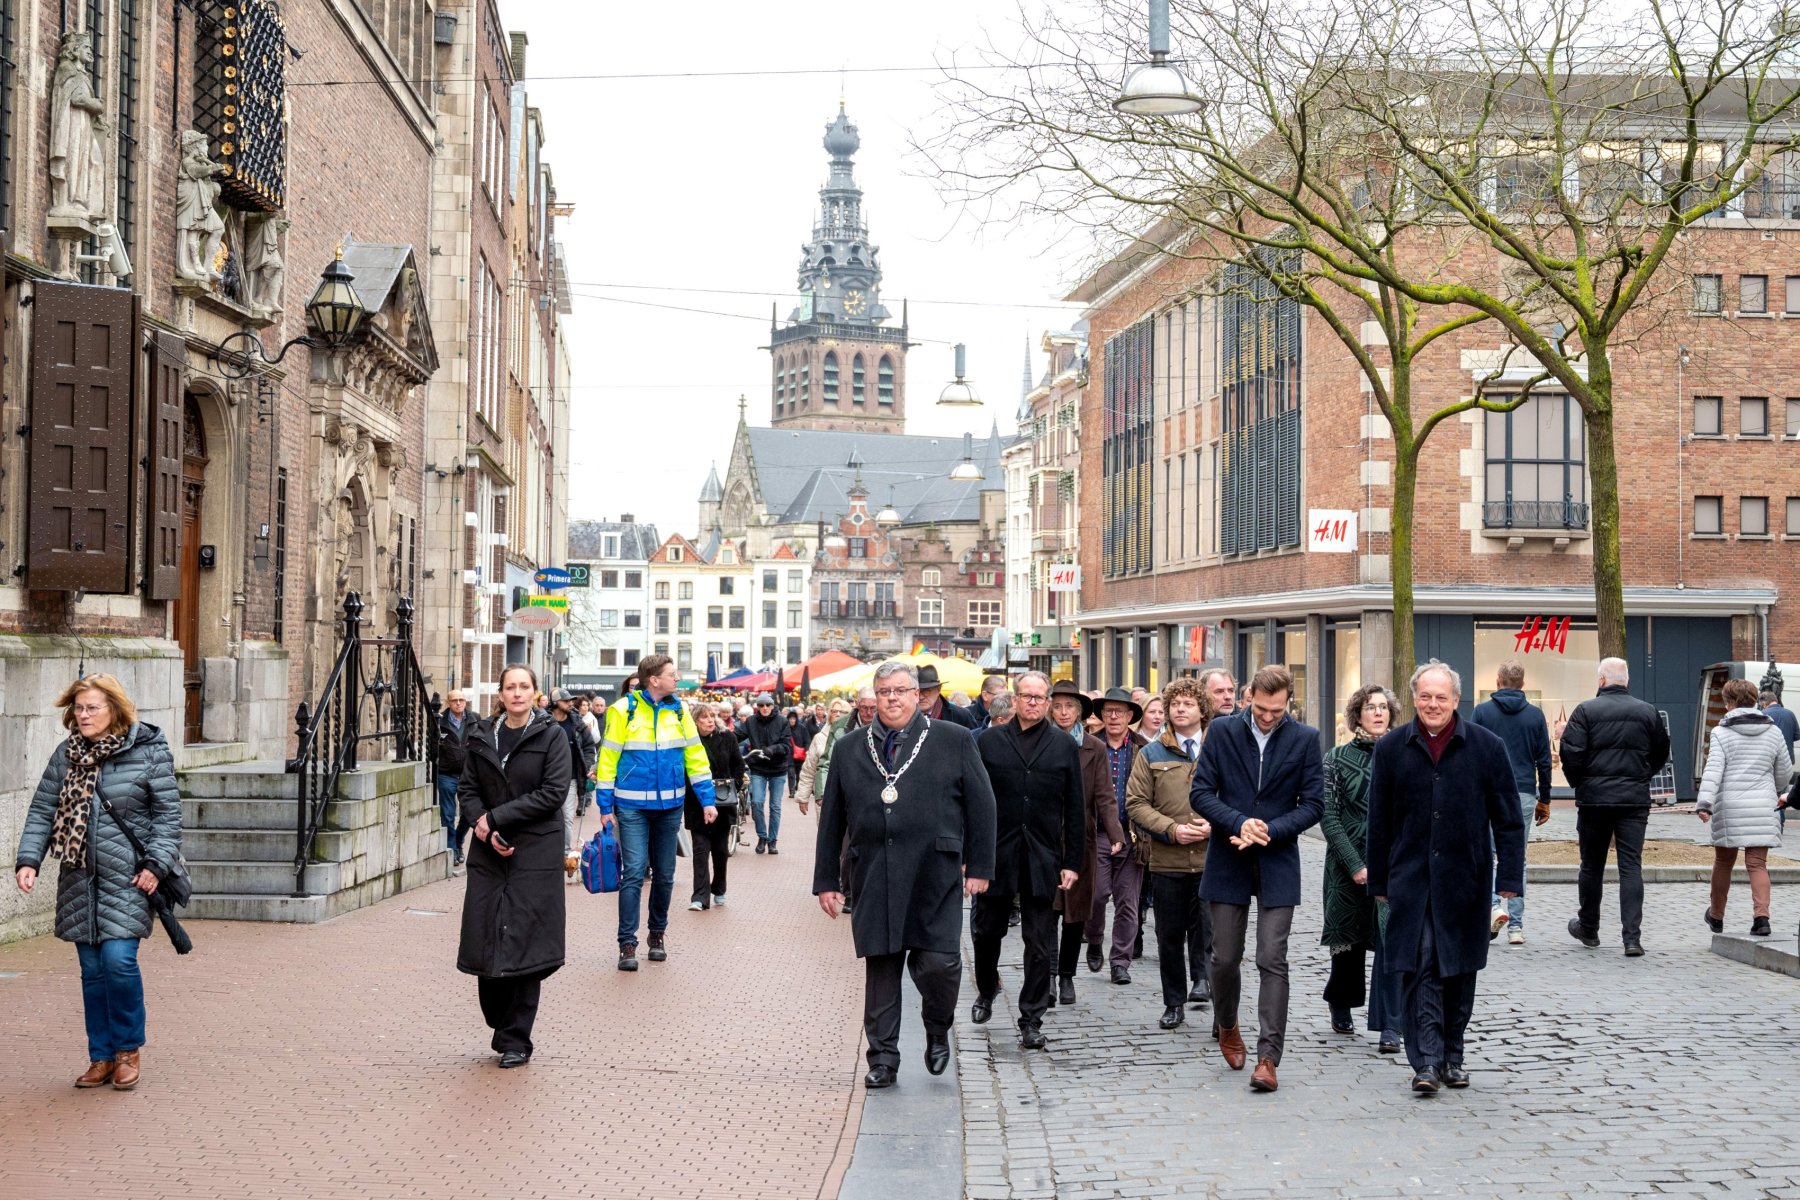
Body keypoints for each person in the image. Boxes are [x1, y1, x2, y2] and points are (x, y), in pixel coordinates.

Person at [814, 662, 997, 1089]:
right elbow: (833, 820)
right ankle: (882, 1058)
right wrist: (826, 880)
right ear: (873, 699)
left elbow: (982, 805)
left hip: (935, 870)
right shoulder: (850, 747)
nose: (892, 698)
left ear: (918, 695)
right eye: (883, 692)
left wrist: (981, 866)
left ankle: (937, 1027)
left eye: (900, 690)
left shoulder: (953, 740)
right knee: (881, 966)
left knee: (939, 963)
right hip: (873, 871)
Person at [14, 674, 182, 1090]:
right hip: (78, 877)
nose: (82, 715)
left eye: (92, 707)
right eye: (78, 708)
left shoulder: (149, 752)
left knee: (118, 962)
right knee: (92, 971)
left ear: (115, 710)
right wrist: (29, 860)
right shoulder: (66, 754)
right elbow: (41, 810)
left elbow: (168, 819)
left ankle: (128, 1051)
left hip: (130, 877)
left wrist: (155, 866)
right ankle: (101, 1056)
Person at [1367, 662, 1526, 1094]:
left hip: (1465, 879)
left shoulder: (1486, 747)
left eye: (1441, 697)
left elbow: (1509, 821)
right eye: (1425, 696)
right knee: (1420, 963)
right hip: (1411, 880)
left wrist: (1508, 879)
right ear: (1414, 698)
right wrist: (1379, 880)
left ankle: (1453, 1055)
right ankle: (1425, 1063)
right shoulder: (1392, 749)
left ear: (1456, 701)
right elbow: (1378, 821)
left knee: (1458, 969)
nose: (1432, 704)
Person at [1191, 665, 1323, 1094]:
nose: (1269, 717)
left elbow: (1314, 804)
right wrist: (1239, 822)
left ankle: (1268, 1057)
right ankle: (1227, 1023)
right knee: (1224, 957)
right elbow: (1201, 792)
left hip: (1278, 858)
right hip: (1228, 857)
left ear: (1288, 702)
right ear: (1248, 697)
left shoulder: (1305, 738)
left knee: (1272, 957)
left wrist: (1271, 829)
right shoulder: (1224, 732)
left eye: (1277, 711)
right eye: (1262, 709)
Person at [456, 662, 571, 1067]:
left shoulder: (552, 736)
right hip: (489, 852)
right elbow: (468, 790)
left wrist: (497, 819)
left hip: (534, 853)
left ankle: (516, 1039)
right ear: (501, 694)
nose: (517, 693)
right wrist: (483, 828)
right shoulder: (481, 736)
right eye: (510, 687)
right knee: (485, 934)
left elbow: (553, 792)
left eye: (524, 686)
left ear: (535, 693)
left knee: (525, 942)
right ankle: (499, 1021)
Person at [970, 672, 1084, 1049]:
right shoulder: (989, 741)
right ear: (1014, 700)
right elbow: (972, 803)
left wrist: (1072, 862)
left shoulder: (1064, 745)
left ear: (1048, 703)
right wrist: (972, 857)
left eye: (1040, 697)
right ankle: (986, 988)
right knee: (987, 931)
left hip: (1042, 855)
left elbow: (1075, 808)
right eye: (1026, 696)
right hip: (996, 853)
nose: (1033, 702)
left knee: (1039, 941)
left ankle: (1031, 1018)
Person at [596, 655, 715, 970]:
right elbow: (607, 758)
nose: (677, 679)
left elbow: (695, 756)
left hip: (670, 807)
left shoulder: (680, 710)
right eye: (672, 675)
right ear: (654, 680)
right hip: (632, 806)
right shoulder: (622, 710)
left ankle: (657, 935)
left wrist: (708, 800)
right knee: (634, 873)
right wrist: (605, 806)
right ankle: (627, 943)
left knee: (665, 875)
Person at [1558, 657, 1670, 956]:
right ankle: (1631, 938)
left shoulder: (1585, 711)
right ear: (1627, 680)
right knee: (1631, 865)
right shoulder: (1647, 712)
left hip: (1594, 799)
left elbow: (1571, 751)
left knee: (1592, 865)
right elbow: (1661, 751)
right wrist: (1642, 775)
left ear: (1601, 681)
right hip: (1633, 799)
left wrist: (1580, 782)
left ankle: (1589, 928)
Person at [1319, 684, 1404, 1052]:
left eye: (1384, 707)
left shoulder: (1404, 755)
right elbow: (1329, 815)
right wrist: (1354, 864)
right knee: (1348, 939)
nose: (1378, 713)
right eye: (1371, 707)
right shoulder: (1335, 758)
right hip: (1345, 863)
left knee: (1391, 940)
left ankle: (1390, 1022)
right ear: (1357, 715)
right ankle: (1342, 1002)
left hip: (1393, 864)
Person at [1125, 678, 1213, 1032]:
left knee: (1211, 931)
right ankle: (1173, 1001)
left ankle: (1206, 986)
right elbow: (1135, 802)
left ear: (1201, 710)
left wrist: (1217, 824)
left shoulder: (1218, 749)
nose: (1180, 709)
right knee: (1170, 934)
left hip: (1211, 859)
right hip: (1168, 860)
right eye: (1174, 704)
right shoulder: (1152, 753)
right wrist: (1170, 829)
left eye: (1188, 704)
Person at [1047, 679, 1124, 1007]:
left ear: (1079, 712)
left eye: (1070, 707)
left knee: (1076, 912)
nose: (1063, 712)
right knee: (1046, 911)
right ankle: (1048, 975)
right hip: (1045, 839)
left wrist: (1116, 832)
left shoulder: (1094, 747)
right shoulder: (1041, 741)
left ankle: (1067, 976)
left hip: (1082, 839)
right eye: (1058, 706)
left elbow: (1105, 795)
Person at [1697, 678, 1793, 937]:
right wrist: (1771, 788)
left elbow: (1713, 771)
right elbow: (1784, 773)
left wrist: (1705, 803)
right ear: (1754, 700)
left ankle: (1716, 916)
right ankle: (1762, 918)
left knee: (1723, 862)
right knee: (1757, 864)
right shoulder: (1773, 731)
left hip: (1729, 806)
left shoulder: (1721, 732)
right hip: (1763, 805)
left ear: (1729, 703)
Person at [1470, 661, 1553, 944]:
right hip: (1523, 792)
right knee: (1518, 856)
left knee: (1489, 852)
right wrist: (1546, 799)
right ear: (1522, 683)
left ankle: (1493, 907)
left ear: (1497, 681)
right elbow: (1544, 760)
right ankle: (1516, 926)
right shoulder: (1535, 716)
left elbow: (1472, 754)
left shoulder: (1481, 712)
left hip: (1487, 791)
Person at [1086, 688, 1148, 984]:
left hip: (1132, 833)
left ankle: (1120, 961)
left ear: (1129, 717)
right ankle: (1095, 938)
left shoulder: (1142, 748)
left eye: (1119, 712)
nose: (1113, 717)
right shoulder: (1090, 745)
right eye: (1108, 711)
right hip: (1096, 833)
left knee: (1128, 901)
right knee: (1097, 894)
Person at [686, 701, 746, 912]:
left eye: (712, 716)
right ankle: (700, 897)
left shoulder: (727, 737)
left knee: (720, 851)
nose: (710, 720)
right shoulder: (689, 741)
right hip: (696, 803)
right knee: (700, 851)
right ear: (695, 721)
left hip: (723, 802)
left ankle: (719, 888)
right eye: (704, 717)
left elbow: (739, 764)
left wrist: (734, 785)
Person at [548, 688, 597, 882]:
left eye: (571, 700)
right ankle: (547, 852)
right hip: (547, 778)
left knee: (567, 816)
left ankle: (566, 852)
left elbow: (589, 745)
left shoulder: (577, 722)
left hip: (570, 777)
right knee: (548, 816)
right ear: (555, 703)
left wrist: (586, 765)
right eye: (566, 700)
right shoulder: (543, 721)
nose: (570, 703)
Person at [743, 694, 791, 854]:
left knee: (775, 806)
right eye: (761, 705)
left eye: (768, 705)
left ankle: (772, 841)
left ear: (772, 706)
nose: (764, 708)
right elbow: (736, 734)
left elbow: (786, 746)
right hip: (758, 767)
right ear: (757, 706)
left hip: (778, 769)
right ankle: (762, 836)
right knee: (756, 802)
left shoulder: (782, 721)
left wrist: (772, 749)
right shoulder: (751, 721)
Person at [436, 690, 474, 867]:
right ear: (448, 702)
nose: (458, 703)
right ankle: (452, 850)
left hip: (469, 776)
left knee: (469, 813)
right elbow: (431, 746)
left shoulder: (474, 719)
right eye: (454, 700)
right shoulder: (439, 721)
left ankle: (459, 841)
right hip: (446, 774)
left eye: (461, 700)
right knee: (448, 814)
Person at [797, 697, 853, 813]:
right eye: (834, 711)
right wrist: (803, 797)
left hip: (850, 795)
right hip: (824, 796)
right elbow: (809, 769)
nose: (838, 714)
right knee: (826, 830)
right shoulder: (819, 738)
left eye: (843, 712)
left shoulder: (855, 737)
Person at [917, 664, 979, 730]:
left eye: (926, 691)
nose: (920, 697)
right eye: (917, 692)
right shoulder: (906, 716)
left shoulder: (961, 715)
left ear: (938, 689)